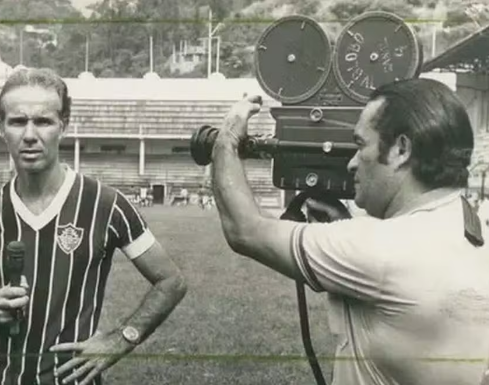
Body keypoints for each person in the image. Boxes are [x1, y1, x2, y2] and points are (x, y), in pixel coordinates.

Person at [208, 78, 489, 385]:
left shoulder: (378, 248)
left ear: (401, 149)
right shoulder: (470, 226)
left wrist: (227, 138)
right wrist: (347, 224)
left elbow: (245, 230)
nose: (352, 163)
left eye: (360, 145)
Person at [0, 68, 187, 385]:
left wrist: (122, 338)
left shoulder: (107, 204)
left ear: (62, 126)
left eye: (44, 121)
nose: (30, 135)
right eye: (18, 121)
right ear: (1, 128)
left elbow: (171, 281)